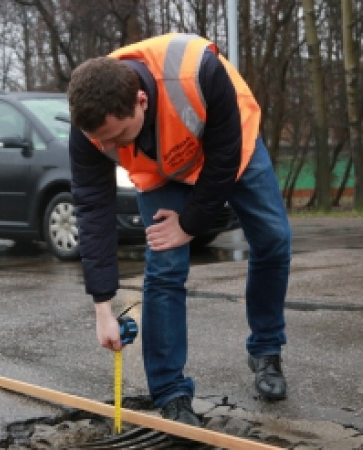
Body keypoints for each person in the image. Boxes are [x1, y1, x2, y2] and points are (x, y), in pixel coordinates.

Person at [67, 33, 292, 427]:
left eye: (119, 136)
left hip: (231, 147)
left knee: (274, 239)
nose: (111, 148)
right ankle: (170, 391)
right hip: (162, 170)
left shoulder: (198, 72)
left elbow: (222, 159)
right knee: (165, 266)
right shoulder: (90, 127)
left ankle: (266, 349)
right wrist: (102, 306)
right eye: (103, 141)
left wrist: (190, 224)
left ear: (141, 100)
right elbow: (93, 211)